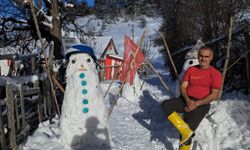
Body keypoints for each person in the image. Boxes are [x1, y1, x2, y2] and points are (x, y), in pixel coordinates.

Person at [161, 46, 222, 150]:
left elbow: (214, 95)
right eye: (201, 56)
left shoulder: (215, 74)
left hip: (202, 105)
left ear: (211, 57)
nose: (203, 59)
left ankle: (186, 133)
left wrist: (196, 104)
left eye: (206, 56)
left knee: (189, 127)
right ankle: (185, 131)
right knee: (166, 104)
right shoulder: (191, 69)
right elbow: (183, 87)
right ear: (198, 56)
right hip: (186, 99)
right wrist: (188, 101)